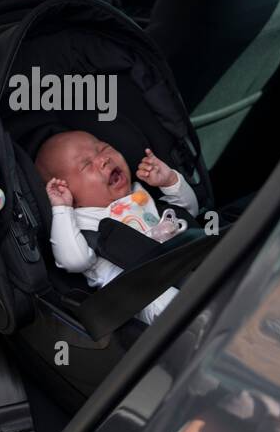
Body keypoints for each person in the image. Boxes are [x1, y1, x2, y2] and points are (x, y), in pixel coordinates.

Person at [36, 130, 199, 324]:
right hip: (141, 292)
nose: (103, 159)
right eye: (87, 165)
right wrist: (62, 209)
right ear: (68, 192)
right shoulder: (82, 223)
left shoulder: (139, 194)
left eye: (104, 148)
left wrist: (170, 181)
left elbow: (189, 213)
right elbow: (74, 261)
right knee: (173, 306)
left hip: (182, 262)